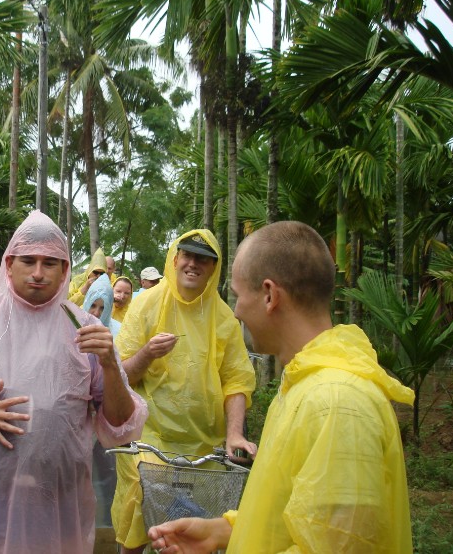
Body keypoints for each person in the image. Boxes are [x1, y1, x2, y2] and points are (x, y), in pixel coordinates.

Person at [149, 221, 415, 554]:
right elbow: (290, 511)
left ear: (270, 295)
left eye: (238, 295)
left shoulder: (336, 404)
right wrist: (224, 531)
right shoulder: (305, 385)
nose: (236, 311)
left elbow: (338, 544)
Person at [0, 211, 148, 554]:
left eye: (50, 263)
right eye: (28, 260)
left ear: (65, 271)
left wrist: (109, 364)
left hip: (57, 507)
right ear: (9, 265)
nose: (37, 273)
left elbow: (121, 422)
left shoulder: (84, 329)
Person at [111, 229, 257, 554]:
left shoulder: (224, 319)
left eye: (203, 258)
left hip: (203, 446)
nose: (193, 264)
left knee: (198, 533)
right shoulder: (146, 305)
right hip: (150, 439)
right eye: (187, 256)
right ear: (175, 260)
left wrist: (234, 434)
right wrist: (147, 353)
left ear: (214, 267)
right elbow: (120, 377)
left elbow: (236, 381)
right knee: (137, 502)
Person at [82, 272, 122, 530]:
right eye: (92, 306)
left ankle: (105, 529)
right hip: (81, 422)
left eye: (102, 307)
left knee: (105, 476)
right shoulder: (73, 330)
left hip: (105, 420)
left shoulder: (116, 334)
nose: (96, 313)